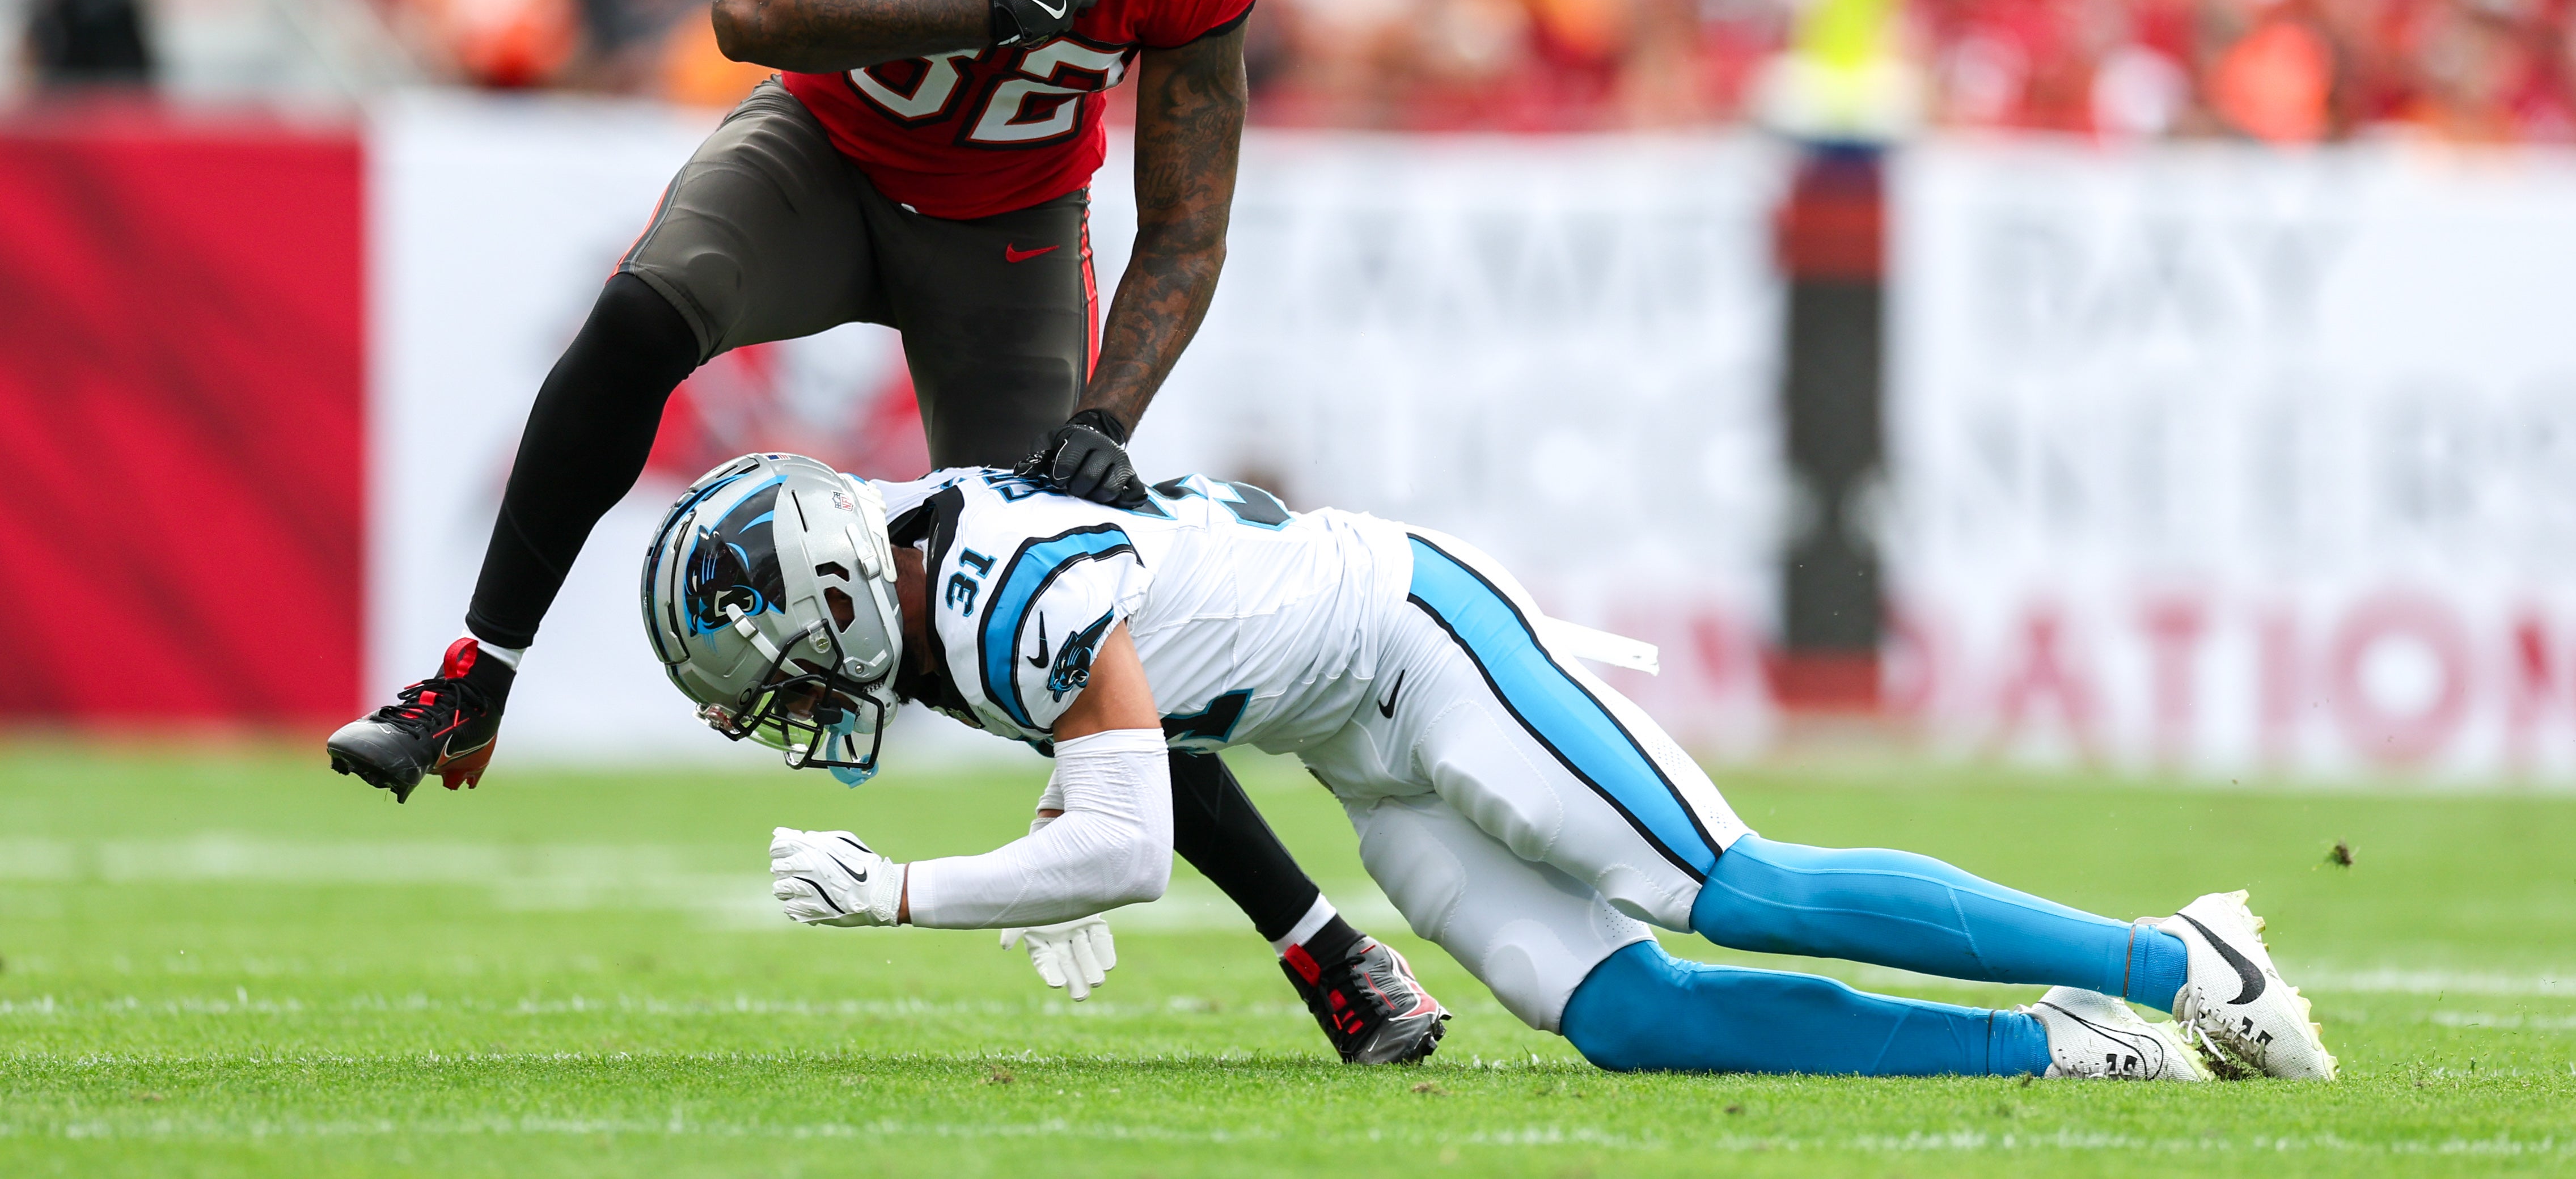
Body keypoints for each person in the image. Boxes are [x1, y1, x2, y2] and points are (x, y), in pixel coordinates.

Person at [326, 0, 1438, 1064]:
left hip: (1012, 230)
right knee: (639, 322)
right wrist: (978, 4)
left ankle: (1327, 949)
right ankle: (470, 681)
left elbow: (1187, 215)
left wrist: (1106, 426)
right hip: (829, 158)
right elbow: (753, 0)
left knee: (1061, 611)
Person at [645, 453, 2340, 1081]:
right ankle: (2068, 1056)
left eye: (770, 659)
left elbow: (1132, 852)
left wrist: (905, 896)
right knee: (1630, 1020)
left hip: (1420, 640)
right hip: (1352, 745)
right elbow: (1145, 666)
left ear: (844, 590)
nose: (782, 697)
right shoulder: (954, 584)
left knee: (1728, 891)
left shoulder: (988, 590)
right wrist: (1059, 804)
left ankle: (2185, 957)